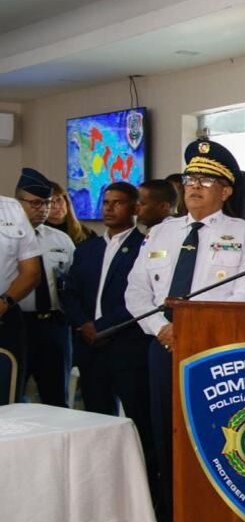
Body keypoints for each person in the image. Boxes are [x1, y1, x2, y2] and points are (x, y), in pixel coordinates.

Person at [126, 140, 245, 521]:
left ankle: (211, 515)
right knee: (164, 431)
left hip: (213, 351)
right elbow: (136, 291)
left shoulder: (244, 234)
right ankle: (173, 515)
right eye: (190, 179)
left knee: (210, 435)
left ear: (226, 190)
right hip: (164, 348)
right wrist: (162, 328)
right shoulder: (161, 233)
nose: (194, 187)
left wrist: (192, 330)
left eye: (206, 180)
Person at [62, 183, 157, 500]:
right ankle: (101, 489)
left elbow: (141, 297)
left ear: (135, 208)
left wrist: (103, 326)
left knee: (138, 420)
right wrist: (84, 325)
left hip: (126, 346)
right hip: (91, 347)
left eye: (118, 203)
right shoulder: (87, 249)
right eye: (106, 202)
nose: (109, 208)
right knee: (96, 417)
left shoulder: (145, 246)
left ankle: (145, 490)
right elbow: (69, 293)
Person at [15, 168, 75, 406]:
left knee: (57, 397)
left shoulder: (60, 240)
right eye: (35, 203)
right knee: (10, 394)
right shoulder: (5, 237)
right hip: (14, 323)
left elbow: (72, 284)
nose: (43, 209)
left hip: (53, 325)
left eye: (47, 203)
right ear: (18, 203)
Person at [0, 193, 42, 403]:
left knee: (6, 399)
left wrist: (3, 303)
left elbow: (32, 272)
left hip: (4, 316)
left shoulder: (12, 209)